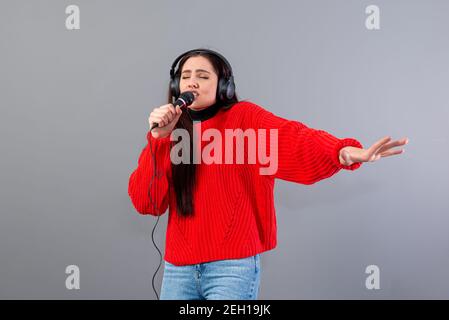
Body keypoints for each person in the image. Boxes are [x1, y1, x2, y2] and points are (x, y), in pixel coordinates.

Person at [128, 48, 408, 300]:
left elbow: (294, 138)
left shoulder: (245, 119)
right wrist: (157, 138)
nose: (191, 82)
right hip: (178, 268)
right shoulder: (169, 135)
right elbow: (146, 202)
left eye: (202, 76)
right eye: (185, 76)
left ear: (223, 86)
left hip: (231, 267)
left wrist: (342, 152)